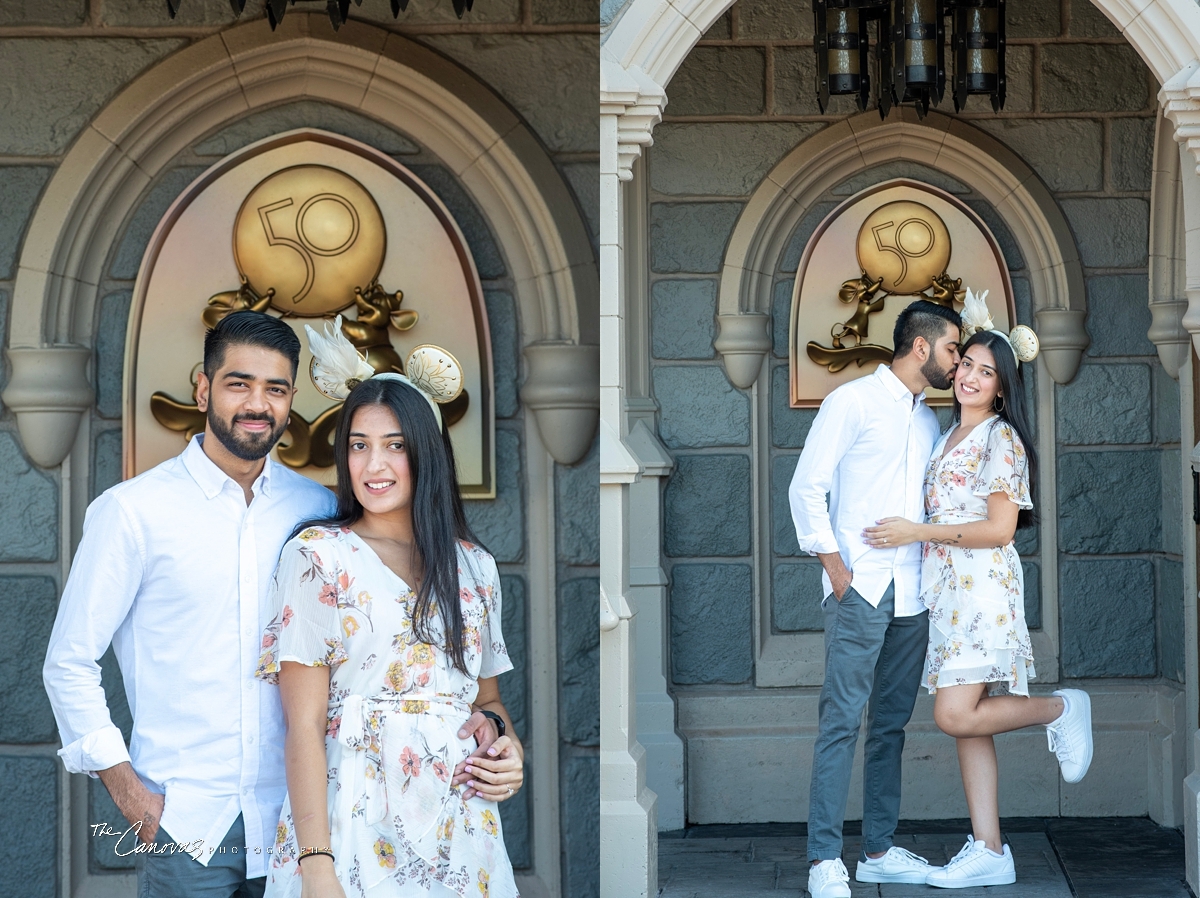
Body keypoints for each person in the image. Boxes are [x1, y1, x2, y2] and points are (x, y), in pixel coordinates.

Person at [42, 311, 498, 898]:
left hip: (305, 816)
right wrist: (132, 796)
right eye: (239, 384)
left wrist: (489, 729)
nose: (257, 403)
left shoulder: (314, 512)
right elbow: (69, 662)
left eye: (275, 389)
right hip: (187, 824)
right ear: (203, 388)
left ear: (291, 402)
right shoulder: (133, 512)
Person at [254, 320, 524, 897]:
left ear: (426, 451)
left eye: (394, 445)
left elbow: (488, 701)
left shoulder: (475, 567)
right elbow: (301, 726)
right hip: (352, 827)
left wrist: (505, 745)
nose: (374, 465)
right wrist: (316, 864)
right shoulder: (317, 557)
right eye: (359, 445)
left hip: (461, 834)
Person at [863, 290, 1093, 889]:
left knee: (954, 713)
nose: (968, 376)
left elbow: (999, 529)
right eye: (966, 363)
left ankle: (1062, 708)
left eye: (985, 372)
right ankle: (989, 848)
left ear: (1001, 387)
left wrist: (915, 531)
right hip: (948, 595)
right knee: (972, 722)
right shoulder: (945, 436)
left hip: (982, 592)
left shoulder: (1000, 440)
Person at [790, 299, 962, 898]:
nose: (955, 362)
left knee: (891, 727)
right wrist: (837, 571)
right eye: (950, 349)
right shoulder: (852, 402)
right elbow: (805, 487)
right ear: (921, 347)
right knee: (840, 724)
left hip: (913, 596)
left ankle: (879, 851)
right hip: (860, 588)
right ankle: (822, 861)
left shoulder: (927, 420)